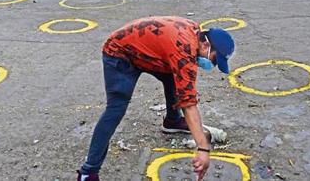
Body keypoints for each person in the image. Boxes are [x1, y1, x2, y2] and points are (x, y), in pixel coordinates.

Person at [77, 16, 236, 181]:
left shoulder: (195, 32)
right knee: (115, 109)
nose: (213, 65)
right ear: (205, 44)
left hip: (143, 51)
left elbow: (184, 86)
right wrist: (203, 148)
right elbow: (188, 103)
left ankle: (172, 121)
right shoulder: (183, 50)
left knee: (176, 79)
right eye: (214, 59)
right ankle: (88, 172)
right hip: (120, 53)